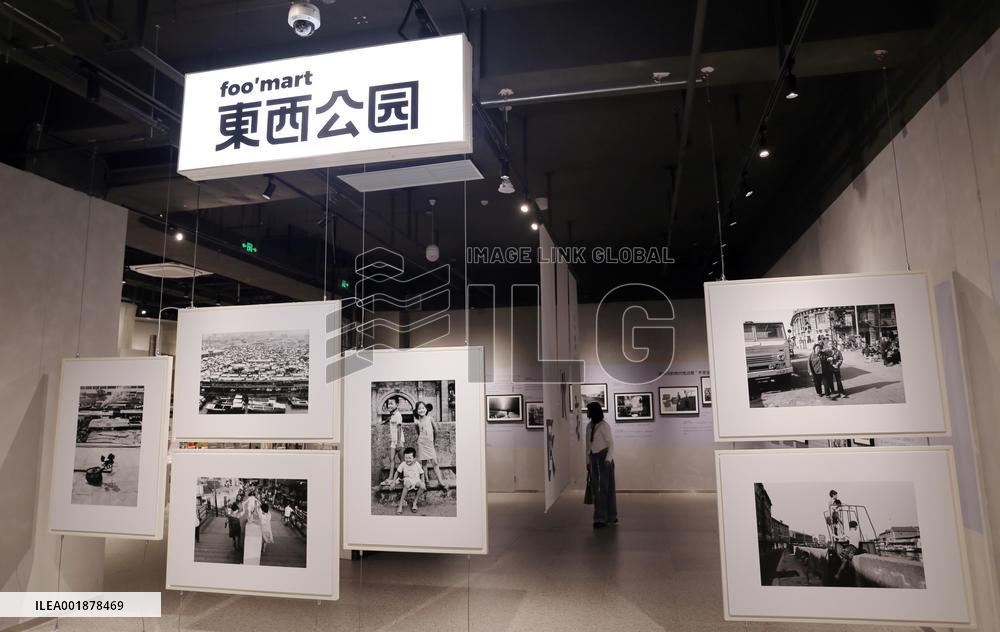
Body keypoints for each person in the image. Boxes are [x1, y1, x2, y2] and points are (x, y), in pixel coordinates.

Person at [586, 401, 617, 528]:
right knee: (600, 488)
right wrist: (587, 462)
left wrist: (608, 459)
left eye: (588, 410)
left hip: (604, 459)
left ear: (594, 411)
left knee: (604, 489)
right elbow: (588, 446)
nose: (587, 412)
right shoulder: (589, 426)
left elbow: (611, 444)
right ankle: (609, 516)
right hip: (594, 459)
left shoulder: (604, 426)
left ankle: (601, 518)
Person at [414, 401, 449, 492]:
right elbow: (419, 433)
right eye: (419, 409)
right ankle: (426, 481)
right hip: (422, 443)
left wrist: (433, 441)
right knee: (424, 463)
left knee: (435, 462)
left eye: (423, 408)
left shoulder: (430, 418)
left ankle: (440, 482)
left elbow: (436, 430)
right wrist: (420, 440)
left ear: (426, 409)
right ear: (417, 411)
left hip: (430, 443)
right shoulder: (417, 422)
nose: (421, 410)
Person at [391, 446, 426, 514]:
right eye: (406, 458)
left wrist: (423, 482)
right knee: (407, 484)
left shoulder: (417, 464)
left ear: (414, 458)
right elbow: (397, 472)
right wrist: (393, 482)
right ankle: (400, 504)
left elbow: (422, 473)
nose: (407, 460)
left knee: (422, 486)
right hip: (407, 479)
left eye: (410, 458)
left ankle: (414, 503)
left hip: (416, 480)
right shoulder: (403, 464)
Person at [382, 396, 405, 484]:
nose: (390, 406)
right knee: (392, 459)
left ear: (397, 404)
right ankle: (391, 477)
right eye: (388, 404)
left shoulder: (398, 415)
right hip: (393, 441)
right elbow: (391, 420)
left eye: (392, 404)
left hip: (399, 441)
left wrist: (399, 442)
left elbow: (399, 428)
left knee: (402, 460)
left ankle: (401, 477)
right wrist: (385, 422)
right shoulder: (393, 415)